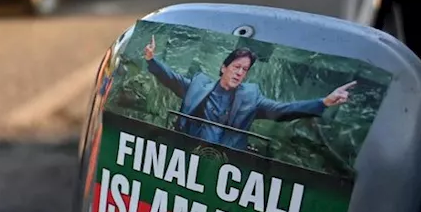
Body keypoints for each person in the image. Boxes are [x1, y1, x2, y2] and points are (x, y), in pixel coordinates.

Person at [143, 37, 356, 151]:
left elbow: (282, 110)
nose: (239, 73)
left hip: (227, 165)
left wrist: (324, 102)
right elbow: (170, 77)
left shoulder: (251, 97)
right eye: (236, 67)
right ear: (223, 68)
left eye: (244, 70)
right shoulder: (199, 84)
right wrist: (152, 59)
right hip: (187, 154)